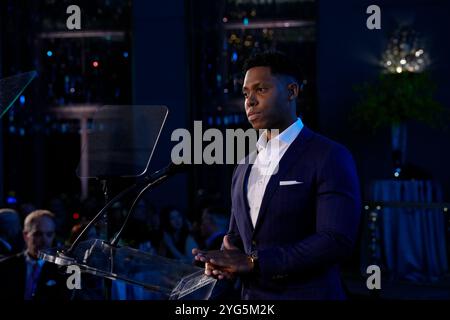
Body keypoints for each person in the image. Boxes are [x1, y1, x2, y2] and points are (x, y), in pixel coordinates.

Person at [193, 51, 361, 300]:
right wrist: (226, 256)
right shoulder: (243, 165)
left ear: (292, 92)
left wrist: (254, 262)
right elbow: (237, 237)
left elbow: (335, 240)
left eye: (260, 89)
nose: (250, 101)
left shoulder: (329, 156)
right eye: (246, 93)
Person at [0, 210, 70, 300]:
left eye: (49, 234)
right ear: (25, 235)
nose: (45, 241)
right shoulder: (5, 266)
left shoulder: (61, 271)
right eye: (38, 234)